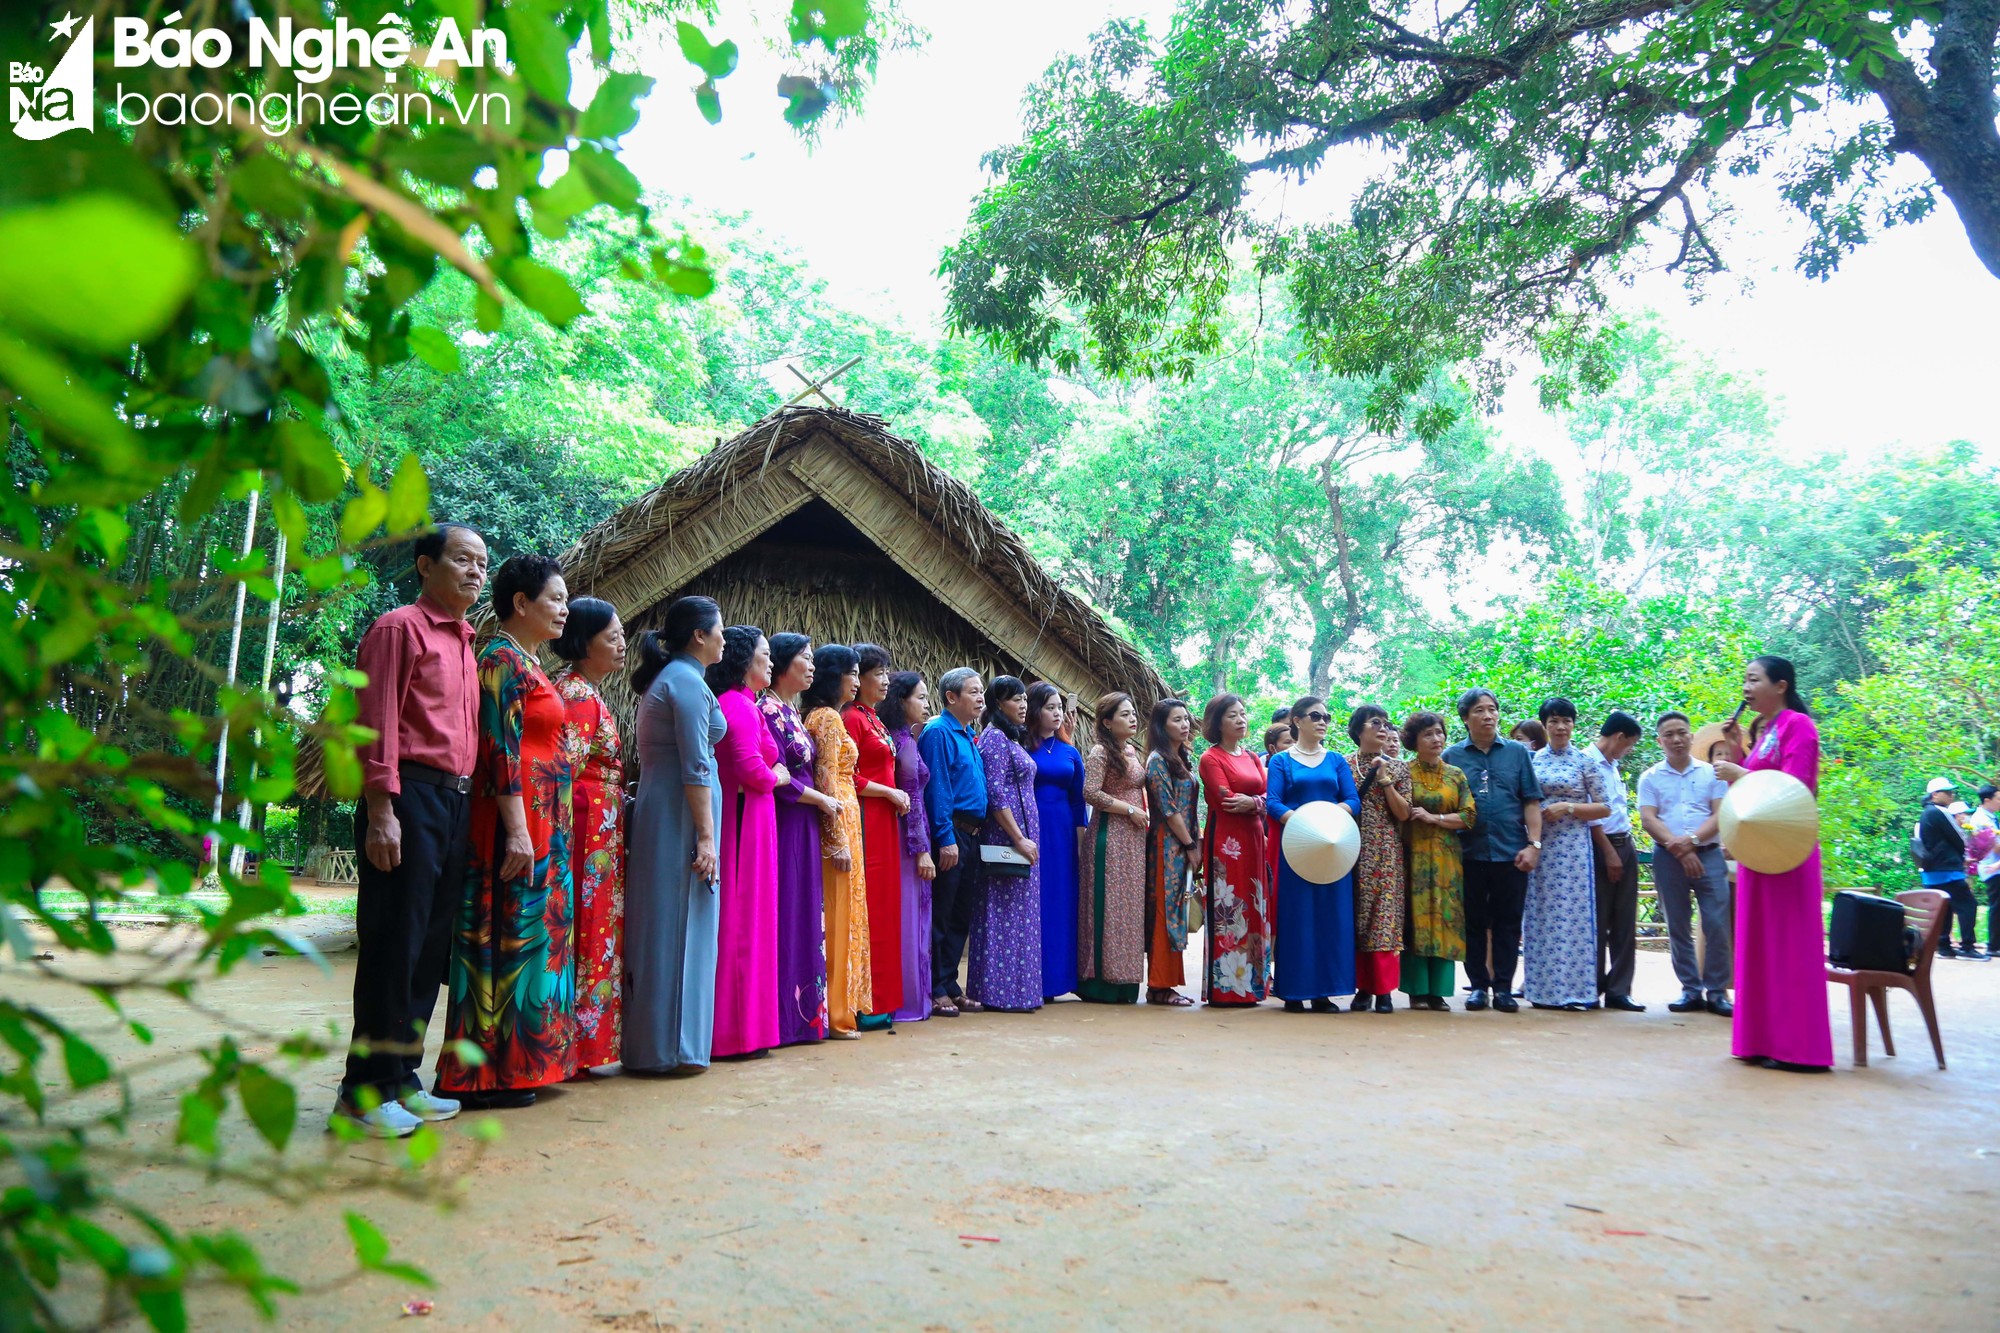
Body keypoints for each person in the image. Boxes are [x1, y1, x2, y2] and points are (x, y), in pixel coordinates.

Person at [335, 522, 486, 1137]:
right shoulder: (400, 628)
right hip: (409, 798)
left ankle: (400, 1080)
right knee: (393, 945)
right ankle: (361, 1092)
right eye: (461, 559)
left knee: (428, 949)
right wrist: (380, 811)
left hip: (453, 804)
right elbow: (376, 726)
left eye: (481, 562)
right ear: (426, 566)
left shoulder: (466, 642)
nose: (474, 571)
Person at [435, 555, 577, 1107]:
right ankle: (488, 1073)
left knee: (536, 936)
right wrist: (518, 831)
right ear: (521, 603)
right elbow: (499, 749)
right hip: (514, 821)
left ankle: (526, 1063)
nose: (564, 608)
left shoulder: (530, 662)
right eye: (555, 598)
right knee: (507, 935)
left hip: (544, 821)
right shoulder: (499, 659)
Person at [622, 596, 728, 1074]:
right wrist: (706, 838)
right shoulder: (684, 682)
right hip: (680, 812)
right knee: (675, 921)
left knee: (673, 918)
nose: (725, 638)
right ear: (698, 636)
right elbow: (695, 764)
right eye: (719, 629)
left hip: (672, 806)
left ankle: (668, 1043)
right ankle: (671, 1047)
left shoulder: (682, 679)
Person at [1714, 654, 1833, 1073]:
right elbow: (1753, 794)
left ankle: (1800, 1048)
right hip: (1759, 851)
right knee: (1757, 944)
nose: (1746, 688)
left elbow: (1793, 789)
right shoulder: (1767, 731)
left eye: (1754, 679)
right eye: (1744, 681)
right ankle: (1759, 1040)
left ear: (1780, 686)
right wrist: (1735, 754)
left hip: (1788, 851)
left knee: (1789, 945)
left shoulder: (1798, 725)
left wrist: (1737, 772)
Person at [551, 596, 627, 1076]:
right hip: (584, 830)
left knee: (595, 927)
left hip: (599, 827)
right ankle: (574, 1046)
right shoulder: (577, 695)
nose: (622, 643)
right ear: (583, 642)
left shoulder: (588, 692)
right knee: (586, 926)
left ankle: (585, 1045)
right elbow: (562, 774)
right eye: (611, 636)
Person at [707, 627, 787, 1059]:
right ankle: (736, 1033)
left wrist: (772, 770)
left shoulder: (747, 705)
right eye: (764, 655)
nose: (769, 662)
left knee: (753, 921)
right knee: (742, 923)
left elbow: (770, 755)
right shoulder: (737, 706)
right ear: (743, 661)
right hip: (743, 822)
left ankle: (747, 1030)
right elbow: (752, 767)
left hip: (754, 817)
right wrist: (776, 777)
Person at [1444, 689, 1542, 1013]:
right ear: (1465, 718)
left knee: (1508, 923)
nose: (1488, 716)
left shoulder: (1517, 753)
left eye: (1492, 709)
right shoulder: (1452, 756)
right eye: (1479, 711)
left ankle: (1502, 988)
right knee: (1472, 922)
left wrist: (1534, 845)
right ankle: (1478, 987)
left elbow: (1530, 801)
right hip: (1466, 853)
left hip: (1511, 852)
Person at [759, 634, 833, 1045]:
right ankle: (784, 1019)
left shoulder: (790, 711)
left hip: (804, 821)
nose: (811, 666)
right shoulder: (766, 709)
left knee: (806, 912)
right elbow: (780, 779)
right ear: (784, 664)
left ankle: (805, 1016)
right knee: (789, 911)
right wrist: (821, 798)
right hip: (788, 819)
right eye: (804, 659)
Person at [1266, 696, 1361, 1013]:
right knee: (1297, 918)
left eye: (1327, 716)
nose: (1323, 721)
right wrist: (1305, 823)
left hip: (1334, 847)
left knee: (1331, 918)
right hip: (1296, 849)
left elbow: (1352, 800)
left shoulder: (1336, 760)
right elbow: (1274, 803)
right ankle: (1294, 991)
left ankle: (1324, 991)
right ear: (1296, 721)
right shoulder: (1281, 761)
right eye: (1315, 715)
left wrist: (1329, 818)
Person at [1637, 712, 1733, 1015]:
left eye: (1682, 732)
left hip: (1709, 856)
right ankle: (1690, 990)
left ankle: (1717, 992)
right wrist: (1680, 850)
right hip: (1668, 858)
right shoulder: (1650, 777)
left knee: (1717, 924)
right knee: (1677, 925)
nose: (1676, 739)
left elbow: (1720, 815)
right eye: (1669, 735)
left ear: (1691, 736)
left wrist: (1690, 843)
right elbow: (1648, 819)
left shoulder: (1712, 774)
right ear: (1659, 741)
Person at [1520, 698, 1610, 1012]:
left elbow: (1604, 806)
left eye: (1566, 721)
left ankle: (1577, 992)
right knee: (1541, 916)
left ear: (1573, 725)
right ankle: (1542, 990)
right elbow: (1524, 801)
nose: (1560, 727)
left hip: (1574, 849)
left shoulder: (1585, 761)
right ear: (1544, 725)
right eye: (1554, 721)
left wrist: (1569, 807)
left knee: (1574, 918)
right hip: (1542, 846)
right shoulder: (1532, 760)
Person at [803, 645, 871, 1038]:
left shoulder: (828, 716)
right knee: (839, 916)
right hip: (839, 819)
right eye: (853, 673)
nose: (858, 682)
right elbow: (824, 777)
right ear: (836, 676)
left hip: (847, 815)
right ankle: (836, 1011)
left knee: (847, 913)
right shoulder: (827, 718)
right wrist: (836, 840)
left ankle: (841, 1007)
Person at [967, 676, 1043, 1011]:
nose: (1024, 705)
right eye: (1016, 699)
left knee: (1021, 915)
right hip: (1006, 837)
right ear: (998, 704)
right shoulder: (995, 739)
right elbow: (996, 794)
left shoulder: (1011, 737)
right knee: (1003, 913)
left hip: (1024, 836)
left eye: (1025, 698)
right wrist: (1018, 838)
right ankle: (999, 992)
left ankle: (1019, 990)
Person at [920, 668, 989, 1016]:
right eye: (973, 692)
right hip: (952, 834)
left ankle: (950, 983)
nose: (981, 698)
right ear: (951, 697)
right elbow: (938, 791)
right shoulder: (938, 732)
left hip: (972, 834)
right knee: (942, 914)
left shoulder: (968, 734)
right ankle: (934, 987)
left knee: (961, 914)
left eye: (981, 692)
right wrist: (945, 838)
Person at [845, 644, 906, 1029]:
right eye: (877, 673)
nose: (884, 680)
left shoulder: (873, 719)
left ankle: (883, 997)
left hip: (886, 820)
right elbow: (844, 776)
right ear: (858, 678)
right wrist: (887, 792)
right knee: (868, 907)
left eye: (886, 673)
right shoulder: (850, 718)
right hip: (867, 818)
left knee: (884, 906)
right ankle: (863, 1001)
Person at [1400, 711, 1474, 1011]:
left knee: (1445, 918)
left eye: (1439, 732)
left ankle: (1439, 991)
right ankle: (1417, 990)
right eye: (1428, 734)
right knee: (1415, 919)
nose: (1436, 739)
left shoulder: (1456, 775)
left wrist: (1436, 818)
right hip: (1412, 855)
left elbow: (1469, 815)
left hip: (1447, 858)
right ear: (1414, 740)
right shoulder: (1404, 772)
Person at [1201, 694, 1271, 1006]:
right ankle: (1225, 987)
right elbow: (1224, 799)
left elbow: (1271, 795)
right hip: (1226, 844)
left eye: (1243, 713)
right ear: (1218, 722)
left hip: (1255, 840)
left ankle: (1254, 986)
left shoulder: (1254, 758)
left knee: (1256, 906)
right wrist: (1255, 803)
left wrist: (1254, 803)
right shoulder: (1211, 758)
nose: (1241, 719)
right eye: (1232, 715)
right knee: (1228, 910)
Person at [1079, 691, 1149, 1005]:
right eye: (1124, 714)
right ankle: (1101, 983)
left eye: (1133, 713)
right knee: (1107, 907)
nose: (1132, 718)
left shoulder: (1133, 751)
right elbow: (1090, 792)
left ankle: (1126, 983)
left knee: (1129, 910)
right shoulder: (1100, 752)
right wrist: (1129, 810)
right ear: (1107, 722)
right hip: (1109, 837)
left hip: (1134, 842)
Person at [1347, 704, 1411, 1013]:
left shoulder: (1400, 768)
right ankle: (1362, 988)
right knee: (1357, 916)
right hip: (1350, 848)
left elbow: (1403, 813)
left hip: (1386, 849)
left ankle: (1384, 990)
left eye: (1386, 723)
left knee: (1384, 918)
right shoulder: (1342, 765)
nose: (1383, 728)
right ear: (1359, 730)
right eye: (1375, 723)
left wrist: (1385, 778)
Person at [880, 672, 937, 1022]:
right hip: (906, 839)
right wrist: (921, 849)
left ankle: (915, 996)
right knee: (908, 916)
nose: (926, 704)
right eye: (920, 697)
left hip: (915, 834)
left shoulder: (905, 740)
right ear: (902, 701)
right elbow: (911, 800)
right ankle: (906, 999)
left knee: (916, 916)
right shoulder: (901, 743)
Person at [1025, 682, 1087, 1003]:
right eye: (1050, 707)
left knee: (1061, 901)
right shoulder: (1020, 745)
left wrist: (1081, 843)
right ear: (1034, 709)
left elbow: (1079, 802)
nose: (1057, 713)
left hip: (1062, 832)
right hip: (1031, 829)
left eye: (1059, 707)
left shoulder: (1070, 751)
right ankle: (1032, 977)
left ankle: (1059, 978)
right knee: (1034, 901)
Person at [1585, 711, 1646, 1012]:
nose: (1628, 750)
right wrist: (1609, 852)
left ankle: (1619, 989)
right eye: (1630, 744)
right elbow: (1590, 815)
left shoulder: (1613, 765)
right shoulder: (1585, 762)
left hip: (1625, 843)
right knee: (1596, 919)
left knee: (1624, 921)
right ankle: (1592, 986)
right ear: (1619, 737)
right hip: (1600, 847)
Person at [1143, 698, 1201, 1007]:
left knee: (1177, 911)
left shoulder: (1183, 758)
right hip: (1167, 843)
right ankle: (1159, 986)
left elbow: (1191, 808)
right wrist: (1190, 844)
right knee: (1166, 912)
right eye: (1177, 720)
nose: (1185, 724)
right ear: (1162, 726)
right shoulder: (1157, 760)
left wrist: (1197, 841)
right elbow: (1167, 809)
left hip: (1184, 841)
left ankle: (1166, 984)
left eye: (1186, 719)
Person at [1915, 777, 1980, 958]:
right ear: (1935, 794)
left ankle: (1944, 947)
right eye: (1948, 792)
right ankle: (1967, 947)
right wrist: (1965, 857)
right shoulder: (1939, 811)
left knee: (1945, 909)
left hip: (1932, 871)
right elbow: (1958, 838)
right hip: (1948, 870)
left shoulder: (1925, 813)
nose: (1952, 796)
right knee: (1968, 905)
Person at [1972, 785, 2000, 960]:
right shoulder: (1981, 819)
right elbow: (1996, 847)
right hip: (1992, 868)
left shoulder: (1991, 817)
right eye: (1998, 798)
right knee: (1997, 907)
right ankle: (1994, 945)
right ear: (1987, 800)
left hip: (1995, 866)